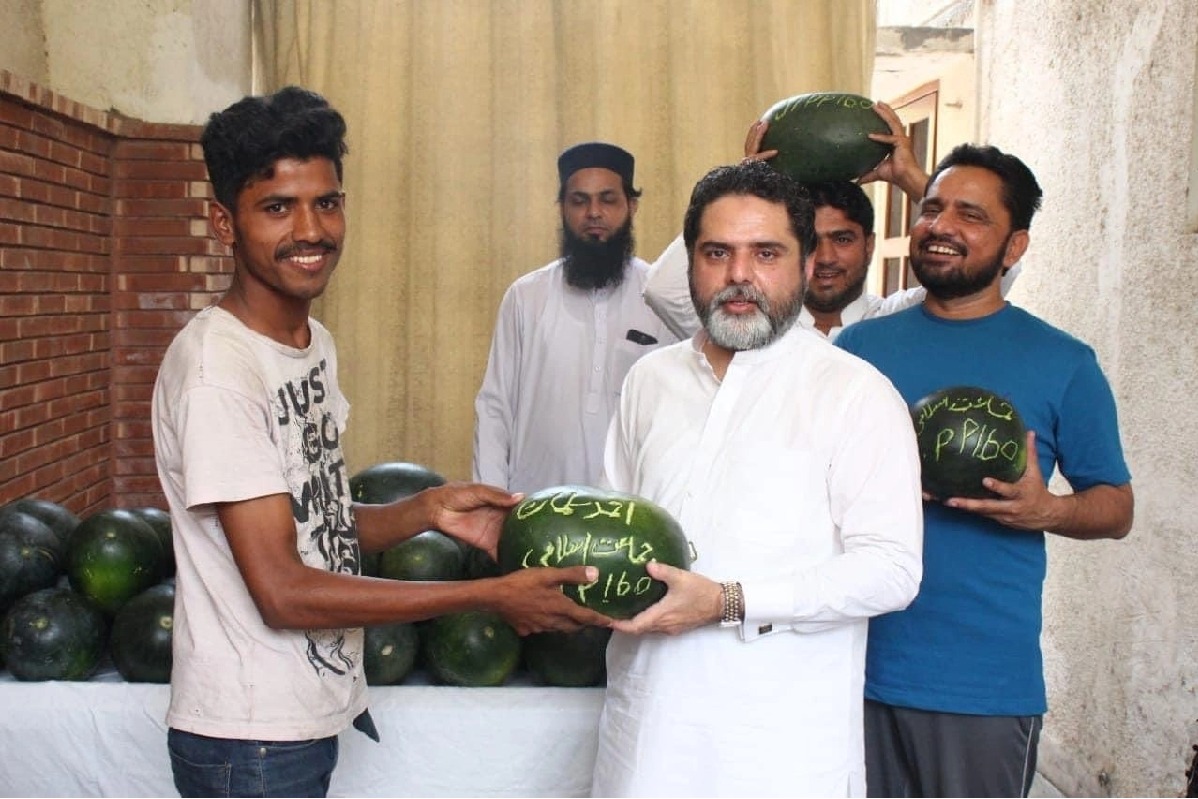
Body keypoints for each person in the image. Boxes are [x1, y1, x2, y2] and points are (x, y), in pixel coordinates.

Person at [150, 87, 609, 799]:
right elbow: (282, 589)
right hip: (249, 741)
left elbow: (316, 526)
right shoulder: (218, 371)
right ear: (223, 222)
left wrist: (427, 509)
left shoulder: (310, 343)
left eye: (327, 202)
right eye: (278, 207)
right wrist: (489, 596)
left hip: (300, 719)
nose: (312, 230)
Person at [589, 160, 925, 797]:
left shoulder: (855, 393)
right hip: (645, 741)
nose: (739, 275)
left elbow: (892, 570)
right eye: (717, 252)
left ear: (803, 266)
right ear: (690, 265)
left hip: (781, 752)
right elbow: (617, 534)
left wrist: (729, 601)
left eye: (765, 253)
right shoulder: (649, 382)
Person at [835, 143, 1134, 798]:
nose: (942, 227)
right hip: (847, 664)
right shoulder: (855, 349)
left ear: (1014, 244)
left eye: (971, 214)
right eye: (932, 207)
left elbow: (1116, 506)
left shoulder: (1064, 362)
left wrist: (1046, 509)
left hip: (979, 685)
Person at [642, 102, 1020, 342]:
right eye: (812, 241)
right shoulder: (756, 321)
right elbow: (663, 289)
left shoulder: (899, 319)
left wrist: (913, 179)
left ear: (869, 245)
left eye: (842, 239)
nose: (825, 257)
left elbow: (998, 268)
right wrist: (750, 187)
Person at [472, 142, 678, 494]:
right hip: (534, 509)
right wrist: (491, 504)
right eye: (579, 201)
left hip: (630, 514)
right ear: (563, 209)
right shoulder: (526, 296)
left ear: (632, 205)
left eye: (608, 200)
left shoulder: (661, 299)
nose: (593, 213)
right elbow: (494, 409)